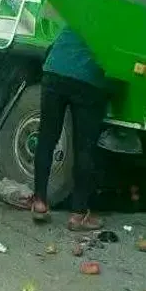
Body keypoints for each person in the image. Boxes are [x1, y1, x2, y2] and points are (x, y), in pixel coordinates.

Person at [32, 27, 108, 230]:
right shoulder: (117, 13)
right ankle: (78, 214)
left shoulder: (79, 4)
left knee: (47, 138)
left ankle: (39, 202)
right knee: (84, 147)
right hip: (88, 79)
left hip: (55, 70)